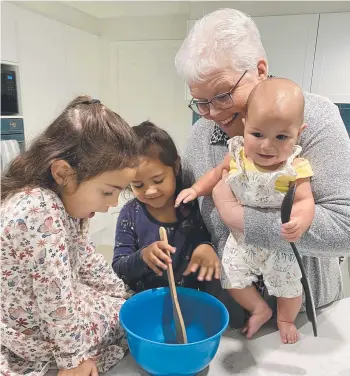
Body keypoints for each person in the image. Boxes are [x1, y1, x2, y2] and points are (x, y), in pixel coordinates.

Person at [175, 8, 350, 331]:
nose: (212, 113)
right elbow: (191, 215)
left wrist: (240, 219)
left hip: (308, 314)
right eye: (201, 102)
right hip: (230, 311)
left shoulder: (316, 119)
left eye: (223, 95)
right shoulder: (202, 133)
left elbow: (345, 227)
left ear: (259, 70)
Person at [1, 96, 139, 376]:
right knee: (124, 323)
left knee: (123, 308)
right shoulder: (39, 209)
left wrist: (120, 294)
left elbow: (87, 259)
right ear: (64, 172)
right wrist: (73, 360)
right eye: (107, 191)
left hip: (37, 309)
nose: (112, 204)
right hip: (28, 330)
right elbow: (55, 297)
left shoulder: (64, 203)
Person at [176, 78, 314, 343]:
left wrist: (301, 221)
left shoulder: (295, 167)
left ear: (299, 132)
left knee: (289, 287)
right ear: (245, 125)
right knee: (231, 277)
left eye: (281, 137)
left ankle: (285, 318)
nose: (267, 146)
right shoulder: (238, 155)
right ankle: (258, 308)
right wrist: (195, 190)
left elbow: (305, 201)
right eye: (257, 134)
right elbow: (216, 175)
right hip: (240, 241)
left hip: (279, 245)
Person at [113, 121, 220, 293]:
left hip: (189, 300)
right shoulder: (130, 214)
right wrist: (142, 256)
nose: (150, 191)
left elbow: (204, 237)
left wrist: (206, 246)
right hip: (144, 301)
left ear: (176, 167)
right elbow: (119, 267)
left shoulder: (190, 206)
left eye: (158, 180)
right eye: (138, 185)